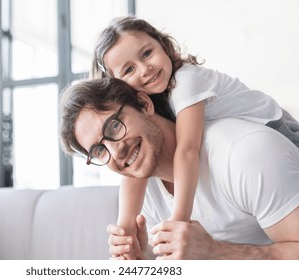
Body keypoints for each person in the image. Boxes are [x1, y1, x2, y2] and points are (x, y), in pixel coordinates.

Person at [90, 16, 299, 259]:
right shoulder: (152, 100)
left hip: (282, 132)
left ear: (164, 46)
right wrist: (126, 231)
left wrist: (179, 221)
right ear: (120, 87)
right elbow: (135, 175)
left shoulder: (186, 81)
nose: (145, 68)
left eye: (147, 53)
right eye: (129, 69)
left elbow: (187, 150)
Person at [59, 77, 299, 259]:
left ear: (144, 104)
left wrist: (213, 252)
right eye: (99, 151)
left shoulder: (244, 154)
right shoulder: (145, 195)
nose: (115, 152)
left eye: (113, 127)